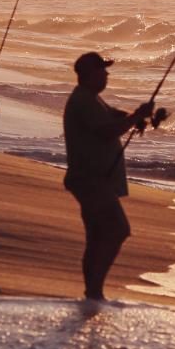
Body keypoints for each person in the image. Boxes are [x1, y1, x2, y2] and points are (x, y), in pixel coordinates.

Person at [62, 51, 159, 301]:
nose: (107, 74)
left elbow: (113, 116)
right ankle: (95, 291)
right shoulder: (83, 100)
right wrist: (136, 116)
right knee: (117, 230)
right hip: (90, 180)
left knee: (96, 237)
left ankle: (92, 292)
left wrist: (135, 115)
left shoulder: (92, 99)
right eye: (102, 70)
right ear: (90, 74)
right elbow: (106, 131)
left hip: (91, 179)